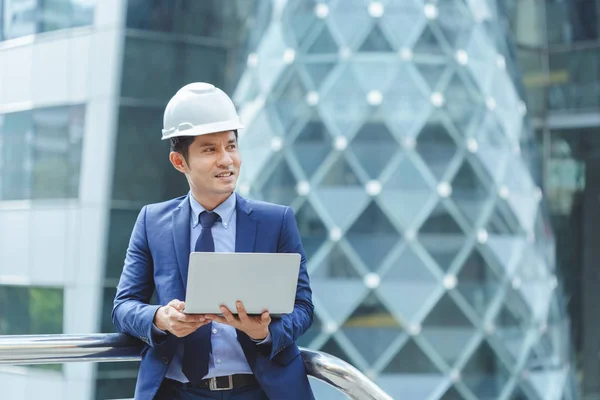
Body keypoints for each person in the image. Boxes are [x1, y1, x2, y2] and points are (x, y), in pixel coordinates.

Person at [112, 82, 315, 399]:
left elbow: (302, 307)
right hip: (177, 392)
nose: (226, 160)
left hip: (260, 391)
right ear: (180, 162)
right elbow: (122, 307)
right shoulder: (152, 222)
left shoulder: (277, 221)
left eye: (231, 146)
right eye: (210, 149)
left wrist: (263, 333)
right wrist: (159, 318)